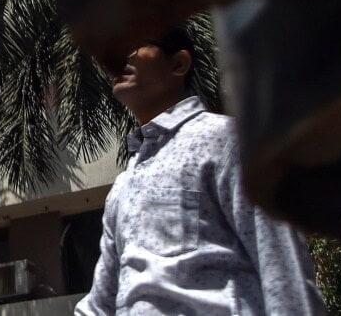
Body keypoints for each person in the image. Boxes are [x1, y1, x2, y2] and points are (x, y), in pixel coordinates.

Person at [76, 28, 324, 316]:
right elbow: (101, 302)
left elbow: (283, 268)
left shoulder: (226, 141)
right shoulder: (124, 184)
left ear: (178, 63)